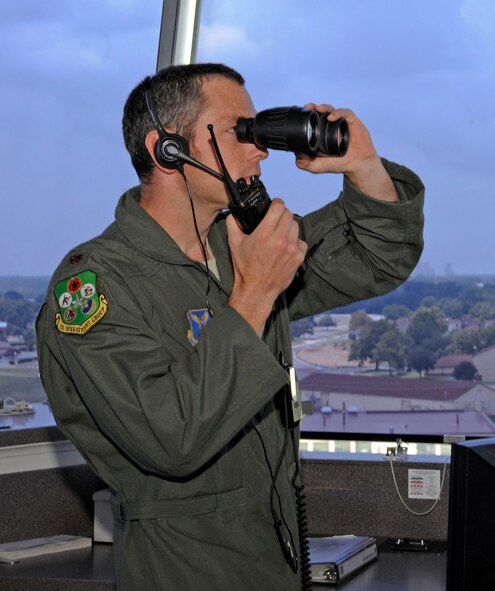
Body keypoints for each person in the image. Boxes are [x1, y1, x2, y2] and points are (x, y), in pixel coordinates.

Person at [35, 63, 424, 590]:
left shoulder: (237, 246)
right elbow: (170, 439)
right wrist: (255, 292)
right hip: (182, 572)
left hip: (272, 565)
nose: (260, 147)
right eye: (239, 130)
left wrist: (364, 166)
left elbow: (376, 259)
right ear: (167, 150)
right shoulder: (95, 287)